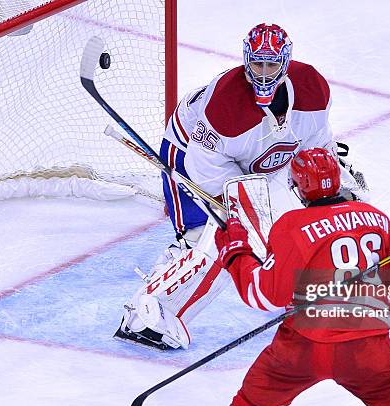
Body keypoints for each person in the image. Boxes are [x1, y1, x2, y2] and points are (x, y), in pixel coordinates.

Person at [114, 23, 368, 350]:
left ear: (286, 63)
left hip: (263, 157)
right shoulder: (225, 106)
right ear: (246, 61)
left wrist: (322, 183)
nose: (263, 73)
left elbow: (316, 141)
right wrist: (239, 216)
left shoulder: (313, 89)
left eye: (271, 64)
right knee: (216, 238)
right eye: (257, 64)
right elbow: (204, 168)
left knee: (307, 218)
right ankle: (151, 315)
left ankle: (315, 288)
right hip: (191, 150)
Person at [209, 148, 390, 406]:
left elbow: (264, 296)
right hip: (368, 349)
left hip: (301, 348)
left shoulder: (292, 225)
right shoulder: (377, 218)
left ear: (297, 187)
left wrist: (235, 253)